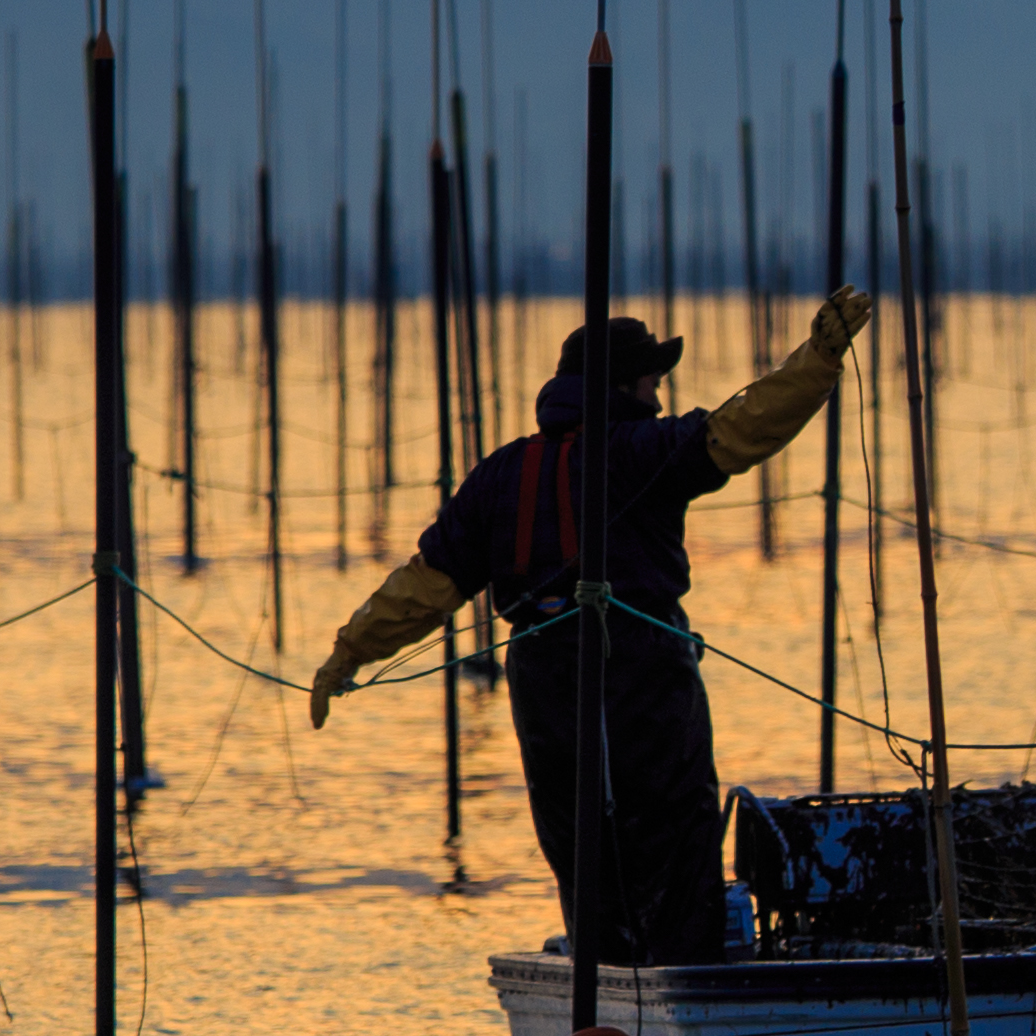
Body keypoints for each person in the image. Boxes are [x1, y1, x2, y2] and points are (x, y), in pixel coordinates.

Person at [311, 289, 871, 962]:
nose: (659, 400)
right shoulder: (639, 448)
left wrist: (348, 652)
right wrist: (820, 358)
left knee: (575, 835)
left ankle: (601, 964)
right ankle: (681, 975)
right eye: (651, 383)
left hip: (541, 673)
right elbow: (745, 428)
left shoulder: (501, 474)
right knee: (674, 825)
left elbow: (425, 586)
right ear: (622, 387)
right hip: (640, 663)